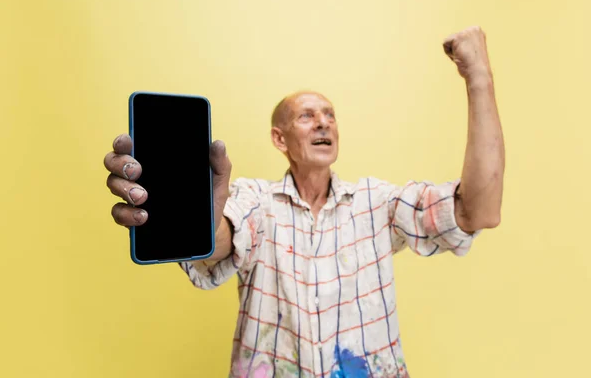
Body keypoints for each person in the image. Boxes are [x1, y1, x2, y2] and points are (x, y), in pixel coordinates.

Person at [104, 26, 504, 378]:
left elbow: (476, 212)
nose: (323, 123)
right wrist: (195, 214)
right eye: (307, 117)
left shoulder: (376, 204)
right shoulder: (256, 201)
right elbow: (221, 241)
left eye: (329, 115)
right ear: (280, 139)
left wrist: (479, 78)